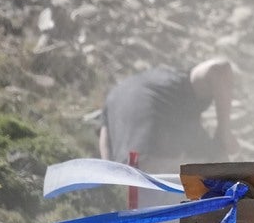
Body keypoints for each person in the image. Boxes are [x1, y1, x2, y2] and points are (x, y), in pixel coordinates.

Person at [98, 57, 237, 171]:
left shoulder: (115, 98)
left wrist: (111, 178)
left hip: (128, 176)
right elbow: (220, 68)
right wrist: (223, 132)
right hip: (141, 172)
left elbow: (105, 139)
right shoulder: (177, 86)